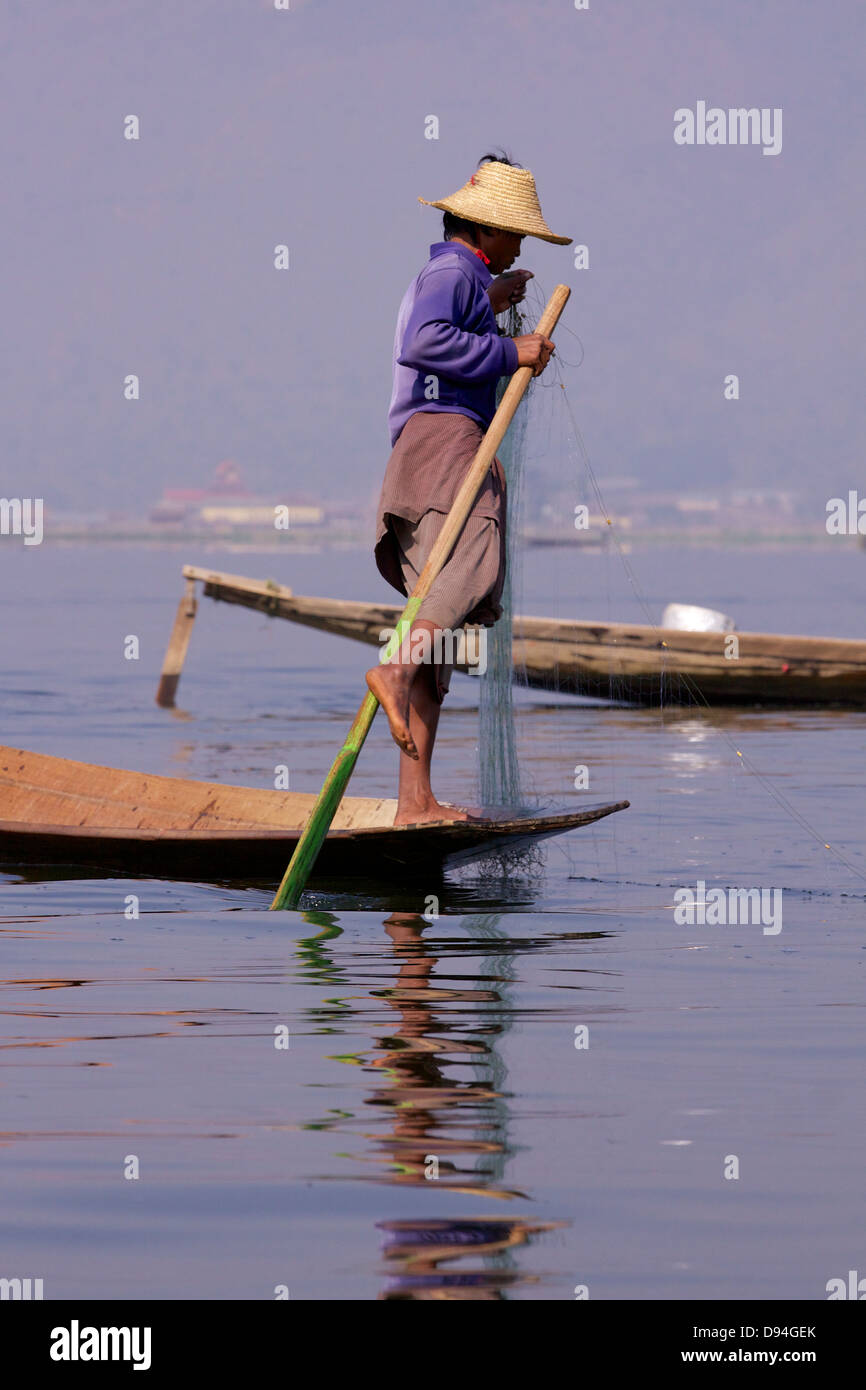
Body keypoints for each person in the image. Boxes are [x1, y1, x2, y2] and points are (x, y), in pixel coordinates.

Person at [367, 153, 572, 825]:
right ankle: (394, 670)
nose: (517, 245)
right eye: (513, 233)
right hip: (447, 447)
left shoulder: (461, 279)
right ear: (484, 230)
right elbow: (427, 342)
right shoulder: (452, 271)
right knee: (468, 570)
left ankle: (414, 803)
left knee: (441, 630)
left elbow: (449, 327)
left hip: (430, 447)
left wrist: (492, 304)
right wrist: (513, 351)